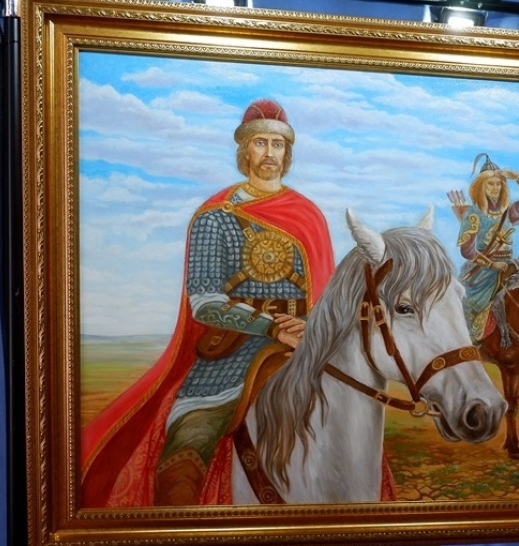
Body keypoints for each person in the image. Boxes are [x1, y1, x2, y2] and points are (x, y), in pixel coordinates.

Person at [80, 99, 336, 507]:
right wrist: (271, 327)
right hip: (232, 352)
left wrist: (311, 327)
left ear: (287, 152)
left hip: (306, 344)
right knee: (189, 439)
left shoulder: (309, 215)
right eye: (260, 143)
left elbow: (326, 294)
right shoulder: (215, 216)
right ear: (244, 150)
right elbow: (205, 303)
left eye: (277, 144)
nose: (269, 153)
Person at [449, 153, 519, 345]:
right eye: (490, 184)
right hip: (482, 270)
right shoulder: (473, 214)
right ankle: (468, 346)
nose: (495, 188)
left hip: (509, 265)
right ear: (481, 186)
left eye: (499, 184)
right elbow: (467, 251)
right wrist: (492, 264)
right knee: (468, 307)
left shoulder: (508, 210)